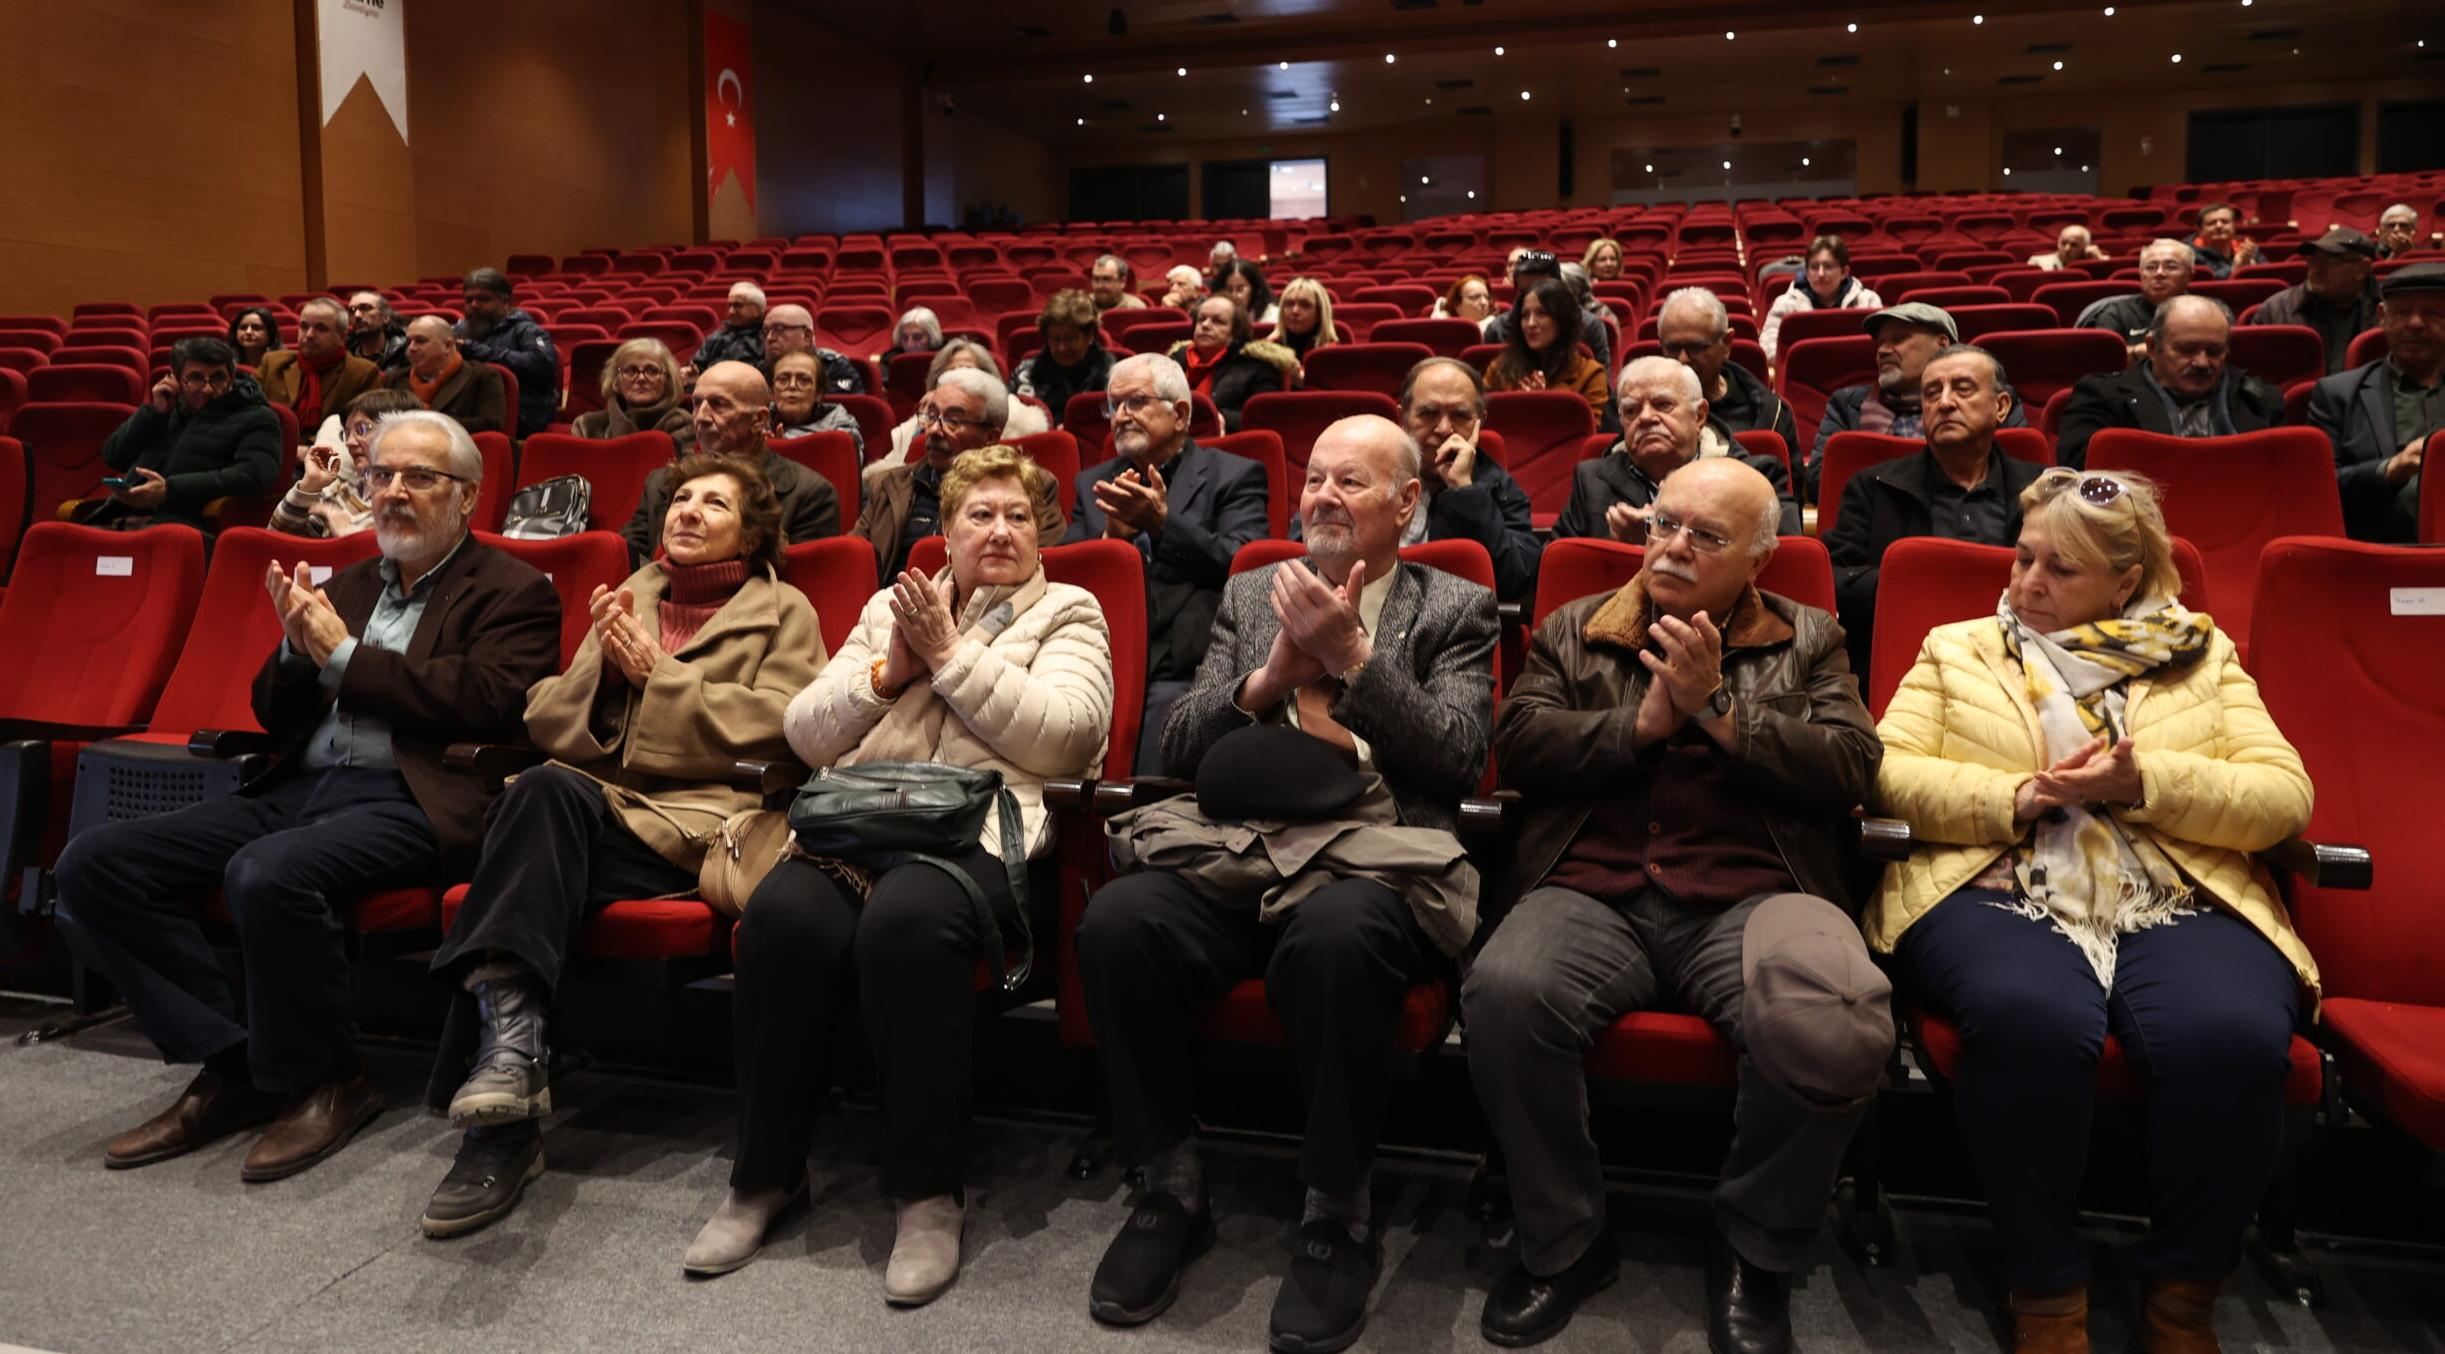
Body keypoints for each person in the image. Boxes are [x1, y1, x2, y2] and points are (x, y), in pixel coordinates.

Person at [1077, 414, 1496, 1354]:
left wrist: (1353, 659)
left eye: (1351, 481)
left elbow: (1458, 758)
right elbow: (1180, 748)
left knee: (1339, 936)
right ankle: (1169, 1184)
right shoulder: (1251, 590)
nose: (1324, 497)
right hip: (1240, 846)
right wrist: (1266, 679)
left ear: (1407, 503)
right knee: (1120, 920)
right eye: (1315, 479)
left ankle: (1336, 1206)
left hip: (1373, 855)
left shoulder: (1453, 605)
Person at [1870, 467, 2314, 1354]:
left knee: (2229, 1035)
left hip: (2173, 888)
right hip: (1995, 878)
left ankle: (2182, 1296)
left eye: (2059, 568)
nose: (2028, 582)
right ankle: (2046, 1290)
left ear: (2125, 581)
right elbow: (1886, 772)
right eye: (2022, 558)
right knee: (2026, 1017)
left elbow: (2282, 796)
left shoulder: (2202, 657)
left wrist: (2145, 782)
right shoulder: (1957, 648)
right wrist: (2020, 794)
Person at [53, 411, 558, 1184]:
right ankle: (236, 1060)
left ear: (466, 495)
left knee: (269, 871)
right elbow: (272, 712)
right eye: (380, 476)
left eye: (418, 477)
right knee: (96, 862)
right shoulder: (348, 582)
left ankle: (328, 1078)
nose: (393, 492)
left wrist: (343, 656)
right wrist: (295, 654)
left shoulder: (513, 591)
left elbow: (484, 701)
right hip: (304, 787)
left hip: (415, 798)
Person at [1468, 456, 1891, 1351]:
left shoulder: (1808, 635)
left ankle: (1753, 1250)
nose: (1672, 546)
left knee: (1836, 1019)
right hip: (1593, 886)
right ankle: (1564, 1239)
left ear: (1759, 558)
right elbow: (1521, 745)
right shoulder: (1579, 625)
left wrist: (1721, 713)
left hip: (1757, 891)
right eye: (1663, 523)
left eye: (1705, 535)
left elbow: (1852, 767)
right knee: (1505, 990)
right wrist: (1642, 726)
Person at [689, 445, 1112, 1302]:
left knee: (906, 923)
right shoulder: (892, 605)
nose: (1000, 531)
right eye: (979, 515)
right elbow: (806, 731)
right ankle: (765, 1175)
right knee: (779, 917)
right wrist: (891, 673)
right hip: (860, 823)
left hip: (986, 836)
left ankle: (926, 1191)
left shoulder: (1069, 610)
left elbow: (1068, 738)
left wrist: (950, 656)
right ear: (945, 533)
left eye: (1018, 517)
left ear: (1041, 535)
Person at [419, 452, 819, 1238]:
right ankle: (509, 1080)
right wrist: (603, 678)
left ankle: (499, 1120)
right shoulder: (632, 594)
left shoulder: (785, 610)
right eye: (680, 499)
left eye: (714, 503)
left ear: (752, 534)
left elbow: (784, 726)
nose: (688, 511)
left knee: (529, 837)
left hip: (693, 825)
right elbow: (544, 719)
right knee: (541, 793)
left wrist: (658, 678)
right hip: (589, 813)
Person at [1064, 352, 1268, 772]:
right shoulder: (1092, 483)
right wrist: (1112, 542)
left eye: (1136, 401)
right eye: (1114, 405)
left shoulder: (1234, 475)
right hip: (1100, 651)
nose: (1121, 416)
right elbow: (1066, 572)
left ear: (1180, 414)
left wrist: (1162, 525)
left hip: (1187, 659)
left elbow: (1247, 568)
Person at [1826, 344, 2047, 674]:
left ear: (2001, 406)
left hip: (2024, 661)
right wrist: (1918, 587)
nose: (1944, 403)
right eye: (1932, 393)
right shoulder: (1873, 486)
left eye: (1963, 389)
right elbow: (1834, 581)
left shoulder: (2045, 491)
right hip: (1907, 660)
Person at [1557, 356, 1800, 543]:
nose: (1646, 417)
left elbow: (1787, 567)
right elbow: (1558, 573)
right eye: (1631, 411)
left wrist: (1658, 537)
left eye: (1663, 405)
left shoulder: (1756, 477)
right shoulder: (1591, 482)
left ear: (1700, 416)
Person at [621, 361, 838, 567]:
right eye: (697, 403)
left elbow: (795, 580)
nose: (701, 417)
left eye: (719, 404)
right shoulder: (659, 482)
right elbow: (629, 559)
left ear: (759, 420)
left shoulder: (810, 494)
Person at [1811, 303, 2030, 498]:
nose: (1883, 351)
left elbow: (2022, 480)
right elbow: (1821, 483)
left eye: (1898, 339)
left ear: (1942, 345)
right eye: (1880, 343)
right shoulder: (1846, 405)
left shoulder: (1993, 399)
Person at [858, 367, 1047, 580]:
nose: (933, 430)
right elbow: (854, 565)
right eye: (931, 416)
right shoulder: (888, 485)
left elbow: (1037, 567)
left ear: (991, 437)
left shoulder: (1030, 489)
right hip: (894, 597)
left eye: (953, 421)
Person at [2057, 296, 2284, 470]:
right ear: (2152, 348)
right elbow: (2080, 480)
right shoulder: (2101, 397)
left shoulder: (2259, 398)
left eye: (2214, 351)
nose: (2202, 362)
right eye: (2187, 350)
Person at [2310, 262, 2444, 543]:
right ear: (2382, 316)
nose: (2416, 323)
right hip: (2383, 550)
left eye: (2432, 313)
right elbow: (2317, 487)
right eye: (2402, 312)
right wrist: (2389, 469)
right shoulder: (2336, 394)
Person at [1387, 356, 1540, 601]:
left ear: (1480, 423)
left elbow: (1514, 581)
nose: (1444, 428)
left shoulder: (1499, 486)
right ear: (1402, 419)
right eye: (1428, 413)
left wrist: (1463, 490)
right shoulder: (1370, 475)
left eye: (1459, 415)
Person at [96, 335, 285, 532]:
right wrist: (153, 413)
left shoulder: (257, 416)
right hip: (124, 517)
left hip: (190, 524)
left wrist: (170, 489)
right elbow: (114, 456)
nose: (208, 389)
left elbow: (254, 476)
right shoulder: (167, 410)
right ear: (176, 379)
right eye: (195, 378)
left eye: (218, 378)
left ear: (231, 378)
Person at [1655, 286, 1797, 452]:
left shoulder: (1773, 413)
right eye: (1672, 348)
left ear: (1727, 343)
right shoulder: (1641, 411)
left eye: (1696, 347)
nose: (1683, 359)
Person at [273, 388, 421, 539]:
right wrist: (310, 484)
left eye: (362, 429)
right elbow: (277, 539)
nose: (349, 442)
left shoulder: (416, 493)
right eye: (346, 433)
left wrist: (349, 535)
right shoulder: (344, 490)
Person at [883, 340, 1047, 466]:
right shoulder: (918, 422)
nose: (959, 378)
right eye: (951, 372)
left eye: (968, 370)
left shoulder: (1017, 419)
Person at [2245, 227, 2381, 376]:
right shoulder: (2276, 309)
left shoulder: (2390, 311)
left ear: (2361, 269)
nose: (2316, 269)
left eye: (2328, 261)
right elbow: (2251, 377)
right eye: (2313, 260)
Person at [1486, 277, 1613, 428]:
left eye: (1542, 313)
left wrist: (1546, 404)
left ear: (1563, 320)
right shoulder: (1500, 368)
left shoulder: (1591, 374)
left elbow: (1591, 431)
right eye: (1525, 315)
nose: (1531, 323)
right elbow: (1479, 418)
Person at [1167, 294, 1297, 433]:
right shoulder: (1176, 360)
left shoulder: (1257, 366)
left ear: (1235, 332)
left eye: (1218, 321)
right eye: (1201, 319)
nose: (1205, 325)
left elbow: (1265, 416)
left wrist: (1224, 420)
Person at [455, 268, 559, 437]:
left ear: (505, 301)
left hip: (521, 412)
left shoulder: (526, 330)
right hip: (470, 409)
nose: (474, 305)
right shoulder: (459, 331)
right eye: (469, 300)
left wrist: (478, 350)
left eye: (483, 299)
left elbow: (542, 365)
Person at [258, 298, 381, 435]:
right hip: (273, 443)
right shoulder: (272, 363)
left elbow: (365, 428)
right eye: (304, 326)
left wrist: (315, 445)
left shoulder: (362, 373)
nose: (309, 335)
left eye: (321, 329)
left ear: (342, 336)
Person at [1485, 250, 1614, 376]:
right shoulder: (1497, 328)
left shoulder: (1590, 325)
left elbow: (1604, 385)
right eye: (1524, 292)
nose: (1532, 297)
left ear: (1559, 287)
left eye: (1541, 291)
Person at [1761, 235, 1885, 361]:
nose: (1820, 274)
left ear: (1844, 272)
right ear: (1806, 272)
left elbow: (1882, 344)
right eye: (1814, 267)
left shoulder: (1868, 301)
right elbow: (1768, 349)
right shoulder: (1784, 304)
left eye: (1828, 266)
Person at [381, 316, 509, 436]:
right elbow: (375, 422)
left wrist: (425, 420)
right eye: (408, 342)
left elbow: (490, 426)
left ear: (447, 346)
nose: (411, 348)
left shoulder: (481, 376)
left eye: (420, 341)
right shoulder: (394, 378)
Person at [1010, 290, 1114, 425]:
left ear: (1090, 335)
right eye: (1055, 339)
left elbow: (1112, 424)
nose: (1061, 348)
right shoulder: (1025, 374)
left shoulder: (1112, 378)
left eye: (1070, 338)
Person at [572, 336, 696, 449]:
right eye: (631, 370)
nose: (641, 378)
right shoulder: (587, 426)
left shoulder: (683, 424)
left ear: (668, 380)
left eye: (652, 371)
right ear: (616, 380)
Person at [2080, 240, 2196, 349]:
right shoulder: (2116, 312)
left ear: (2189, 275)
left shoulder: (2204, 313)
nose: (2159, 273)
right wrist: (2137, 352)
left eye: (2171, 267)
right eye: (2151, 267)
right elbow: (2103, 356)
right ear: (2140, 273)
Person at [754, 303, 868, 395]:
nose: (769, 338)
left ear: (807, 336)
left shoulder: (834, 367)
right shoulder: (757, 372)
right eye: (765, 331)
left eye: (779, 329)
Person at [769, 349, 864, 453]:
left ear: (818, 393)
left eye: (804, 380)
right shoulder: (759, 422)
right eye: (783, 379)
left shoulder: (840, 428)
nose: (792, 386)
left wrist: (784, 450)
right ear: (772, 391)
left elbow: (847, 461)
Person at [691, 281, 768, 373]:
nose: (731, 311)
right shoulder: (718, 335)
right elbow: (698, 365)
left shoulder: (768, 337)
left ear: (756, 310)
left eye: (737, 306)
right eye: (730, 306)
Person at [1274, 276, 1339, 360]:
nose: (1295, 311)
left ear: (1319, 313)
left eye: (1305, 305)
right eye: (1289, 304)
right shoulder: (1269, 350)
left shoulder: (1332, 353)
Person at [2188, 202, 2257, 279]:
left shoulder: (2247, 248)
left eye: (2225, 222)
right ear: (2199, 230)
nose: (2219, 226)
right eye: (2211, 223)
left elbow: (2264, 272)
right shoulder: (2190, 254)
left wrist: (2253, 267)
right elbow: (2209, 280)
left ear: (2234, 226)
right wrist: (2235, 269)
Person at [345, 291, 408, 372]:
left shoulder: (405, 352)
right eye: (352, 310)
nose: (357, 315)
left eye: (366, 308)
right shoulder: (345, 355)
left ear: (386, 317)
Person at [1214, 258, 1278, 327]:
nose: (1234, 295)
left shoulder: (1272, 316)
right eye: (1229, 289)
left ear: (1254, 289)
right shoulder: (1213, 315)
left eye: (1240, 289)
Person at [2029, 225, 2109, 272]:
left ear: (2085, 247)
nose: (2067, 249)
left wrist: (2099, 259)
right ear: (2058, 243)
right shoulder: (2038, 262)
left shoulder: (2093, 260)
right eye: (2063, 243)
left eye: (2074, 245)